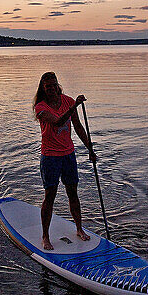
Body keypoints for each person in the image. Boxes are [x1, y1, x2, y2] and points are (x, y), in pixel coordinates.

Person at [33, 71, 97, 251]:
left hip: (68, 154)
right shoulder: (40, 107)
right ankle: (45, 236)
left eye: (54, 85)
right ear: (43, 89)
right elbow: (58, 122)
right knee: (50, 196)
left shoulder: (67, 100)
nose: (52, 89)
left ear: (58, 84)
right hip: (50, 156)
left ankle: (79, 229)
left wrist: (90, 149)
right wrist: (74, 106)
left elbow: (77, 126)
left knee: (73, 193)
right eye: (48, 87)